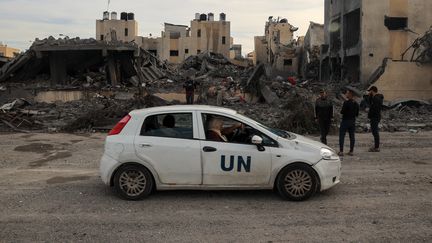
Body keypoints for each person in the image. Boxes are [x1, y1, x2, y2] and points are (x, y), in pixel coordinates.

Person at [339, 89, 359, 156]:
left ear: (350, 94)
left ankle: (341, 151)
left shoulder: (346, 102)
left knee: (342, 135)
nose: (346, 94)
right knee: (352, 136)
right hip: (352, 121)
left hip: (345, 121)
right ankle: (351, 151)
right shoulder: (356, 104)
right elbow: (357, 114)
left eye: (347, 93)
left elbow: (342, 112)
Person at [364, 86, 384, 152]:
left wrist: (370, 111)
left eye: (370, 91)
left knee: (375, 132)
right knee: (374, 131)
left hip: (375, 117)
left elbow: (375, 108)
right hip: (375, 117)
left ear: (372, 91)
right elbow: (369, 102)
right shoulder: (375, 98)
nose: (369, 92)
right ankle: (376, 146)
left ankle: (376, 147)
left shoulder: (376, 99)